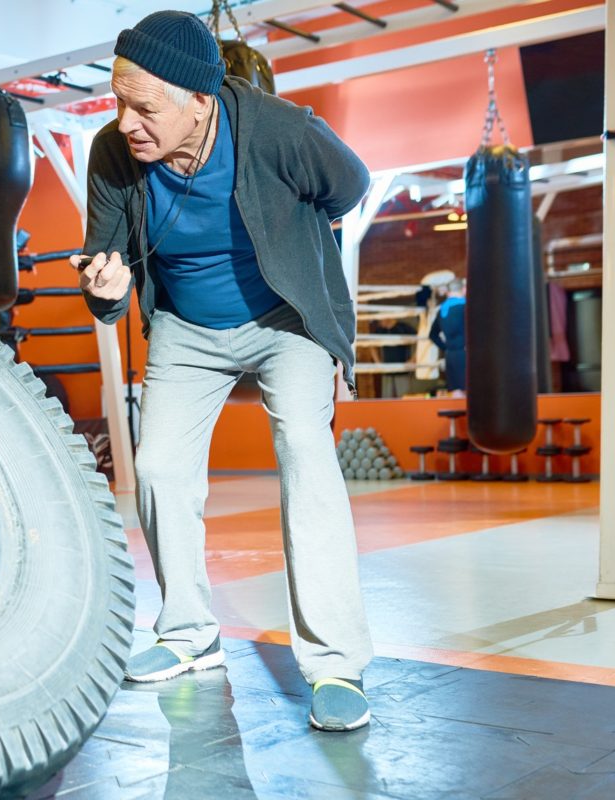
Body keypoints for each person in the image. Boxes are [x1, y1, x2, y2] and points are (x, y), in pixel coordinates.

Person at [71, 11, 374, 732]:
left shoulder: (277, 130)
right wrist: (103, 289)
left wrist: (295, 237)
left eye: (145, 106)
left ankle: (335, 664)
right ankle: (188, 635)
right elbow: (102, 257)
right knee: (160, 467)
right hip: (186, 325)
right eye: (118, 100)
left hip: (285, 316)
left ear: (199, 101)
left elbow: (350, 185)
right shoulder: (112, 155)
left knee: (305, 449)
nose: (126, 122)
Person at [430, 279, 467, 394]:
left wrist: (446, 347)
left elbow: (432, 335)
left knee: (457, 395)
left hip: (450, 356)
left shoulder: (441, 310)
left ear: (448, 292)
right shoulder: (466, 307)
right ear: (464, 290)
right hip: (466, 355)